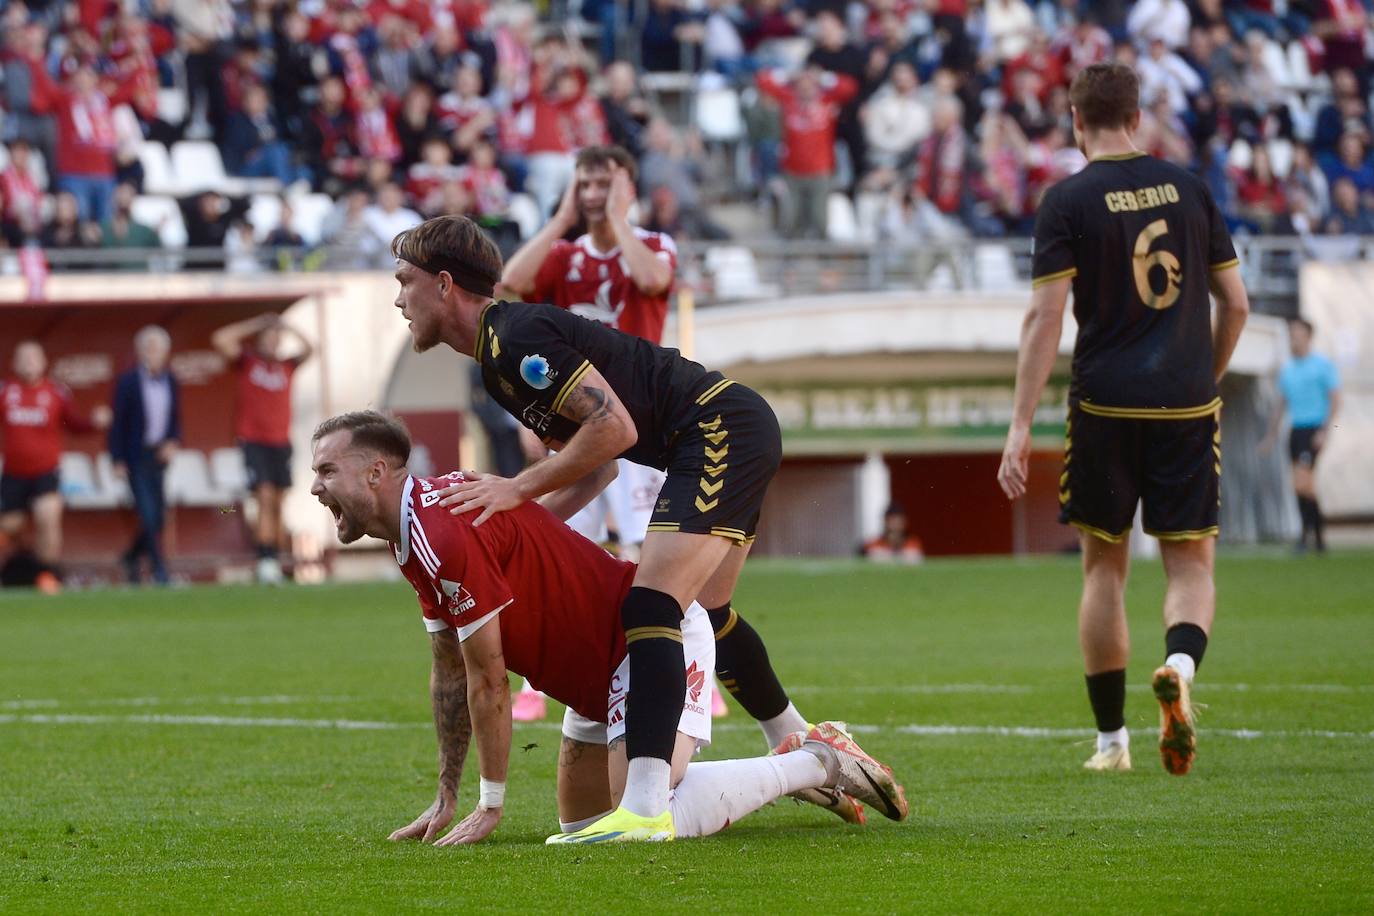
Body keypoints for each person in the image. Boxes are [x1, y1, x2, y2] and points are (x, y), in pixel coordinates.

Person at [389, 216, 834, 841]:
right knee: (711, 607)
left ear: (442, 284)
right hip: (726, 427)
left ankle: (647, 808)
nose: (398, 298)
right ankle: (801, 743)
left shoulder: (514, 339)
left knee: (652, 605)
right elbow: (597, 471)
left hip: (715, 428)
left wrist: (516, 487)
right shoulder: (498, 361)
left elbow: (615, 430)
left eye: (405, 281)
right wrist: (510, 531)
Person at [309, 410, 904, 844]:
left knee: (642, 815)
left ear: (376, 473)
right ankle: (794, 771)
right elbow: (448, 674)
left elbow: (488, 683)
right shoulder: (418, 531)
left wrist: (491, 805)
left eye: (326, 470)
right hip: (592, 677)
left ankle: (816, 760)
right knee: (586, 826)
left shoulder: (436, 532)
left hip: (642, 647)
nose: (314, 486)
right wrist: (446, 795)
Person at [996, 63, 1250, 776]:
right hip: (1186, 403)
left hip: (1104, 404)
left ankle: (1112, 744)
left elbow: (1044, 317)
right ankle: (1179, 665)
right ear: (1138, 117)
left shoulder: (1068, 201)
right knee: (1190, 561)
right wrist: (1209, 374)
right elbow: (1237, 303)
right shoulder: (1191, 188)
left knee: (1103, 569)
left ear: (1076, 122)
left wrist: (1020, 425)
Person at [500, 144, 680, 721]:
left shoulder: (652, 244)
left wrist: (619, 220)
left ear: (627, 185)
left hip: (644, 425)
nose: (596, 193)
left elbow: (653, 282)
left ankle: (681, 671)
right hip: (582, 430)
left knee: (653, 553)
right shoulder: (564, 253)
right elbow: (511, 280)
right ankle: (535, 683)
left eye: (606, 181)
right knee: (556, 550)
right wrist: (562, 217)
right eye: (586, 182)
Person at [1, 341, 112, 590]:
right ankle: (22, 565)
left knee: (47, 516)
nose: (29, 362)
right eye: (24, 358)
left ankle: (46, 575)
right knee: (10, 525)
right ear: (15, 363)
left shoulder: (55, 393)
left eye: (34, 358)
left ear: (43, 362)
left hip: (45, 472)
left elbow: (73, 423)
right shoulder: (6, 391)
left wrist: (95, 423)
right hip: (13, 475)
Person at [212, 314, 314, 582]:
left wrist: (288, 326)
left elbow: (311, 349)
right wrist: (256, 324)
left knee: (280, 503)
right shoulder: (247, 361)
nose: (273, 341)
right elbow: (221, 339)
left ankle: (278, 559)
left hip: (281, 442)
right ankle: (265, 558)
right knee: (264, 496)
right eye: (268, 337)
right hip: (253, 441)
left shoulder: (287, 365)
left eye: (276, 337)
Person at [109, 326, 182, 586]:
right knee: (148, 514)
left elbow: (175, 419)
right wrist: (116, 459)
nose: (152, 354)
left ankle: (130, 557)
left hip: (158, 456)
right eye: (148, 348)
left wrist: (173, 442)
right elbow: (117, 423)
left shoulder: (171, 380)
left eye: (157, 348)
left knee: (159, 516)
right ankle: (159, 571)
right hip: (135, 456)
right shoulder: (128, 382)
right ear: (140, 352)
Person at [1262, 318, 1341, 554]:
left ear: (1308, 336)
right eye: (1290, 334)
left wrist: (1325, 431)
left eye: (1297, 333)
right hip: (1295, 431)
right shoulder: (1287, 369)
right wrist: (1270, 436)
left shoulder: (1322, 366)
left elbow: (1335, 400)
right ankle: (1316, 539)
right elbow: (1281, 405)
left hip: (1313, 429)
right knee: (1300, 486)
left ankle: (1307, 536)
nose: (1293, 338)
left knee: (1302, 481)